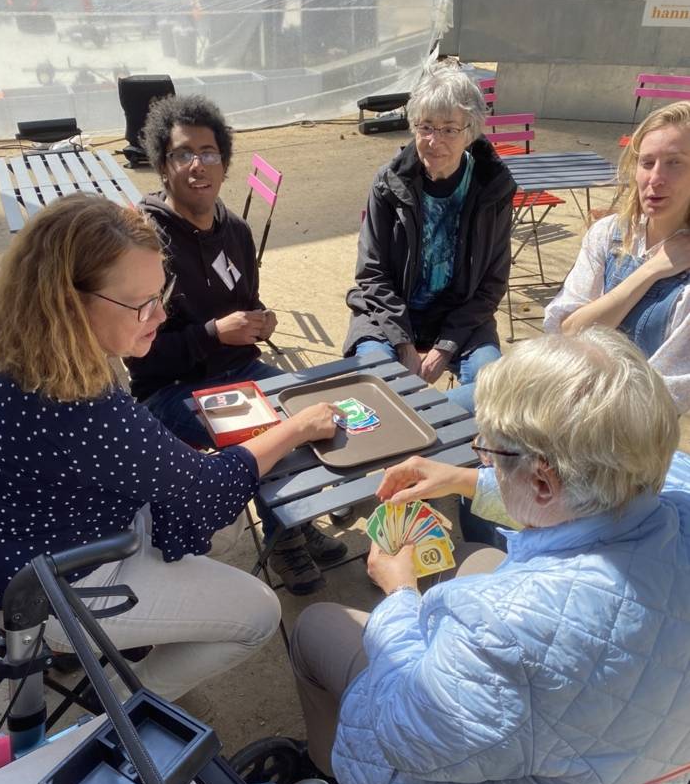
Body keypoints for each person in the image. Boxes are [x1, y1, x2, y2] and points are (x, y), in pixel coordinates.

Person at [285, 328, 690, 784]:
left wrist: (398, 593)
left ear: (544, 479)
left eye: (489, 454)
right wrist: (463, 481)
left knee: (318, 626)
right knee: (477, 560)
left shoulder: (504, 627)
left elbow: (403, 730)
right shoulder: (671, 484)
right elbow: (596, 504)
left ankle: (332, 776)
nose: (482, 460)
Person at [0, 193, 338, 702]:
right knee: (259, 613)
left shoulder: (16, 351)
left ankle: (118, 661)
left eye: (163, 294)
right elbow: (210, 490)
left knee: (210, 543)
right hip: (44, 589)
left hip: (19, 549)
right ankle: (115, 709)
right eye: (142, 304)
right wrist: (296, 428)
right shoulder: (80, 405)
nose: (159, 315)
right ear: (68, 302)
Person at [125, 93, 346, 596]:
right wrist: (212, 334)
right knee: (272, 430)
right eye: (183, 154)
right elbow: (140, 354)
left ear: (224, 162)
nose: (197, 165)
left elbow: (247, 300)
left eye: (208, 152)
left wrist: (259, 321)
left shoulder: (237, 232)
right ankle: (286, 538)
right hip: (174, 389)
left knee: (314, 409)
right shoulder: (143, 241)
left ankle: (290, 519)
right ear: (163, 165)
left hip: (243, 369)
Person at [344, 64, 516, 414]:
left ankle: (418, 425)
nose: (434, 142)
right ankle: (419, 424)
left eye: (449, 129)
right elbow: (372, 274)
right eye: (426, 127)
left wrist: (445, 348)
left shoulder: (493, 189)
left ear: (470, 132)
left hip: (463, 319)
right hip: (387, 316)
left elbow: (492, 284)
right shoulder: (388, 182)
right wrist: (405, 345)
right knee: (372, 388)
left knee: (496, 395)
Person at [545, 99, 690, 413]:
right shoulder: (609, 233)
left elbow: (666, 394)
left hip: (629, 437)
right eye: (647, 162)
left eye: (674, 163)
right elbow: (567, 331)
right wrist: (650, 271)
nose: (655, 179)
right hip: (567, 403)